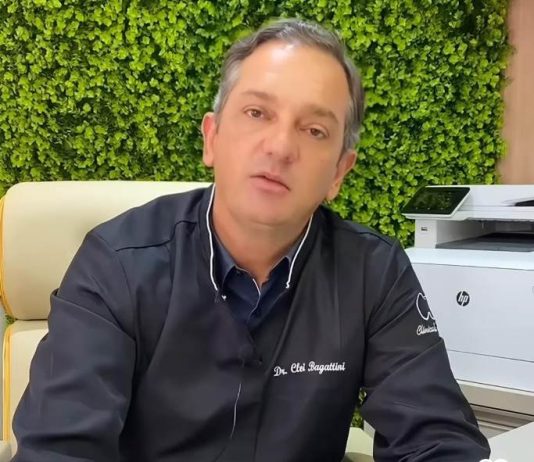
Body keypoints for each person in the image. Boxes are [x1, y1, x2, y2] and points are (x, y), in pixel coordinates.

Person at [12, 18, 490, 462]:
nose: (280, 147)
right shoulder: (116, 264)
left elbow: (437, 438)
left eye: (315, 130)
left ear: (339, 173)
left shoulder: (372, 272)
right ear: (212, 138)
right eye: (257, 112)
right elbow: (59, 449)